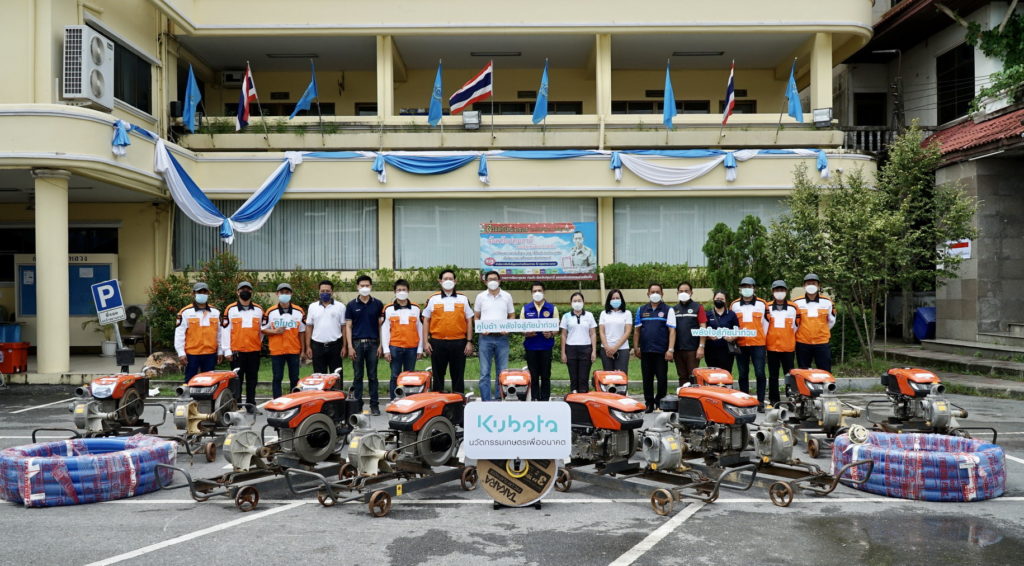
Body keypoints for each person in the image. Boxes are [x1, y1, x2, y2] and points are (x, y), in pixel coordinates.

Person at [422, 269, 474, 393]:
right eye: (445, 279)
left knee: (458, 375)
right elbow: (426, 320)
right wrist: (425, 342)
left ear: (455, 281)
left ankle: (458, 403)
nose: (448, 281)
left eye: (451, 279)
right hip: (437, 342)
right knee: (438, 376)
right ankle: (438, 403)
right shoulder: (433, 299)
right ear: (440, 281)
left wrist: (469, 341)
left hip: (459, 342)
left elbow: (469, 321)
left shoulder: (463, 299)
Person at [346, 275, 385, 415]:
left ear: (371, 286)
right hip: (357, 344)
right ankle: (358, 405)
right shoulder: (351, 305)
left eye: (367, 285)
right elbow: (348, 327)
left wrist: (381, 345)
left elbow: (381, 326)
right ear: (357, 287)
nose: (364, 288)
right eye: (362, 285)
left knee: (373, 376)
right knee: (358, 376)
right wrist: (349, 346)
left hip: (373, 344)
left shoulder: (378, 304)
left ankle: (374, 406)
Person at [221, 281, 263, 410]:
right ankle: (237, 404)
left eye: (248, 289)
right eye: (242, 289)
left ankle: (251, 404)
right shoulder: (230, 309)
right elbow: (225, 330)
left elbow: (262, 331)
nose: (245, 291)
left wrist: (256, 342)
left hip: (254, 351)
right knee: (237, 380)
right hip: (237, 352)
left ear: (251, 292)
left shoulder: (259, 310)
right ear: (237, 292)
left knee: (252, 380)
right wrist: (226, 350)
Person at [633, 283, 675, 412]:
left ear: (662, 294)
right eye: (652, 292)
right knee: (647, 378)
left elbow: (672, 331)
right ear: (648, 294)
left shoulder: (668, 310)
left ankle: (659, 403)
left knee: (662, 378)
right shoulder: (641, 309)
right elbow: (637, 331)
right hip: (646, 350)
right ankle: (649, 403)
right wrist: (636, 347)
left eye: (657, 291)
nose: (655, 294)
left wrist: (670, 349)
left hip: (662, 351)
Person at [474, 270, 516, 401]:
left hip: (502, 338)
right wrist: (480, 328)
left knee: (502, 371)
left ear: (499, 280)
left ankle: (499, 398)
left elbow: (512, 315)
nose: (493, 281)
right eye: (490, 279)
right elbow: (476, 316)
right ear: (485, 281)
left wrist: (508, 328)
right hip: (485, 338)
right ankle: (486, 400)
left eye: (495, 279)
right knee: (484, 372)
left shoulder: (507, 296)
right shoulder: (480, 297)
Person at [381, 279, 423, 402]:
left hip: (412, 347)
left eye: (404, 290)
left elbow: (420, 328)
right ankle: (394, 400)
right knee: (395, 376)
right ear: (394, 292)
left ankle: (409, 401)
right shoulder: (388, 309)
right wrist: (386, 350)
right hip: (395, 347)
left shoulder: (415, 308)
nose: (401, 292)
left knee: (410, 377)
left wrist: (420, 348)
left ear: (408, 291)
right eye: (399, 290)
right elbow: (384, 330)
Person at [731, 277, 769, 411]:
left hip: (758, 344)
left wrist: (760, 338)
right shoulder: (734, 305)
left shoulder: (762, 304)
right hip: (741, 344)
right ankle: (745, 401)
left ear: (754, 288)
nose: (747, 289)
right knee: (742, 374)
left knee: (760, 373)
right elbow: (733, 324)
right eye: (744, 286)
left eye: (749, 286)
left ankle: (760, 402)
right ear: (740, 289)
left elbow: (766, 325)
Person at [262, 283, 306, 398]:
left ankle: (294, 400)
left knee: (294, 378)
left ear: (291, 294)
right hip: (277, 350)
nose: (284, 295)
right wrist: (274, 331)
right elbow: (263, 329)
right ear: (277, 294)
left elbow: (302, 331)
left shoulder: (299, 311)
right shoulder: (270, 312)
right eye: (282, 292)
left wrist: (303, 350)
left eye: (287, 292)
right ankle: (277, 400)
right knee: (277, 377)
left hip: (293, 350)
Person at [174, 282, 223, 382]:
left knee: (210, 381)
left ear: (208, 294)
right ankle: (189, 397)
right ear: (193, 293)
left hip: (210, 353)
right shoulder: (185, 312)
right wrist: (181, 353)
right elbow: (179, 334)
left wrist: (220, 351)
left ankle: (207, 398)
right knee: (190, 381)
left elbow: (220, 334)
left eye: (205, 292)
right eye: (200, 292)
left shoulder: (215, 312)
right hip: (192, 354)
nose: (203, 294)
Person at [521, 281, 558, 401]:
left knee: (546, 376)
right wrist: (526, 333)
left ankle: (545, 399)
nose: (537, 293)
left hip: (546, 347)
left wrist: (551, 333)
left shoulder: (552, 308)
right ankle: (535, 398)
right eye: (534, 291)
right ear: (531, 293)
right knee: (534, 375)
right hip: (531, 347)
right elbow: (520, 327)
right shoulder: (525, 308)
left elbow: (557, 328)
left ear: (544, 292)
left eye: (539, 291)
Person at [765, 280, 799, 408]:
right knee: (773, 375)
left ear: (786, 291)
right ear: (773, 292)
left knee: (789, 375)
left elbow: (796, 326)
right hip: (772, 347)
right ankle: (774, 401)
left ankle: (791, 400)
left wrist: (788, 337)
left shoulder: (793, 307)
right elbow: (765, 326)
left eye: (782, 290)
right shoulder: (767, 307)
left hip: (788, 347)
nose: (780, 293)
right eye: (777, 290)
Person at [793, 273, 836, 372]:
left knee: (825, 371)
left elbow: (831, 321)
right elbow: (794, 323)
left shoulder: (827, 302)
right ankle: (805, 388)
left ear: (818, 286)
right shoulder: (796, 302)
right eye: (808, 283)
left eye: (814, 283)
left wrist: (820, 331)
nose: (811, 285)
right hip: (802, 343)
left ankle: (824, 388)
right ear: (804, 286)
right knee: (803, 372)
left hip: (822, 343)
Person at [305, 280, 346, 375]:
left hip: (335, 345)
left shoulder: (341, 307)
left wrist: (344, 346)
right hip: (317, 346)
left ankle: (336, 390)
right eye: (322, 291)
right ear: (319, 291)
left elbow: (344, 327)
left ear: (332, 292)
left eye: (327, 291)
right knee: (319, 376)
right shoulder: (312, 307)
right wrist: (308, 347)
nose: (325, 293)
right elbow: (309, 327)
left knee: (336, 375)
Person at [560, 292, 597, 394]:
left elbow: (593, 333)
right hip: (571, 349)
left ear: (583, 302)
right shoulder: (566, 316)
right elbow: (563, 335)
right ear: (571, 303)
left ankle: (584, 397)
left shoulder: (589, 315)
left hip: (586, 349)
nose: (577, 303)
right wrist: (563, 352)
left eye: (579, 301)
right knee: (574, 377)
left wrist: (593, 351)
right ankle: (574, 398)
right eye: (574, 301)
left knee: (583, 378)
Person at [671, 282, 707, 385]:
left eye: (686, 291)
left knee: (693, 376)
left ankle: (693, 399)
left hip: (693, 349)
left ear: (691, 292)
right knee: (682, 376)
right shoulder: (673, 309)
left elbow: (703, 327)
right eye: (681, 291)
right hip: (678, 349)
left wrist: (701, 346)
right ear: (677, 293)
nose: (683, 293)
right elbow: (671, 330)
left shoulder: (698, 307)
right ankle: (683, 398)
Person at [704, 290, 740, 371]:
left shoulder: (731, 314)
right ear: (713, 299)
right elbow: (702, 329)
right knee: (712, 373)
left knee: (725, 372)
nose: (719, 300)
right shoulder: (707, 314)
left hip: (727, 350)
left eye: (722, 299)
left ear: (725, 301)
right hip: (711, 350)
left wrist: (732, 337)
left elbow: (737, 330)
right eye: (717, 298)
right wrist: (708, 335)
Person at [598, 289, 632, 373]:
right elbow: (602, 332)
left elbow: (627, 332)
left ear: (621, 299)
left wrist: (615, 348)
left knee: (621, 376)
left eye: (617, 298)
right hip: (606, 350)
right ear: (609, 300)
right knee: (608, 377)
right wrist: (607, 348)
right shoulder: (603, 313)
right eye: (613, 298)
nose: (615, 300)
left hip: (622, 349)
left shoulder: (627, 313)